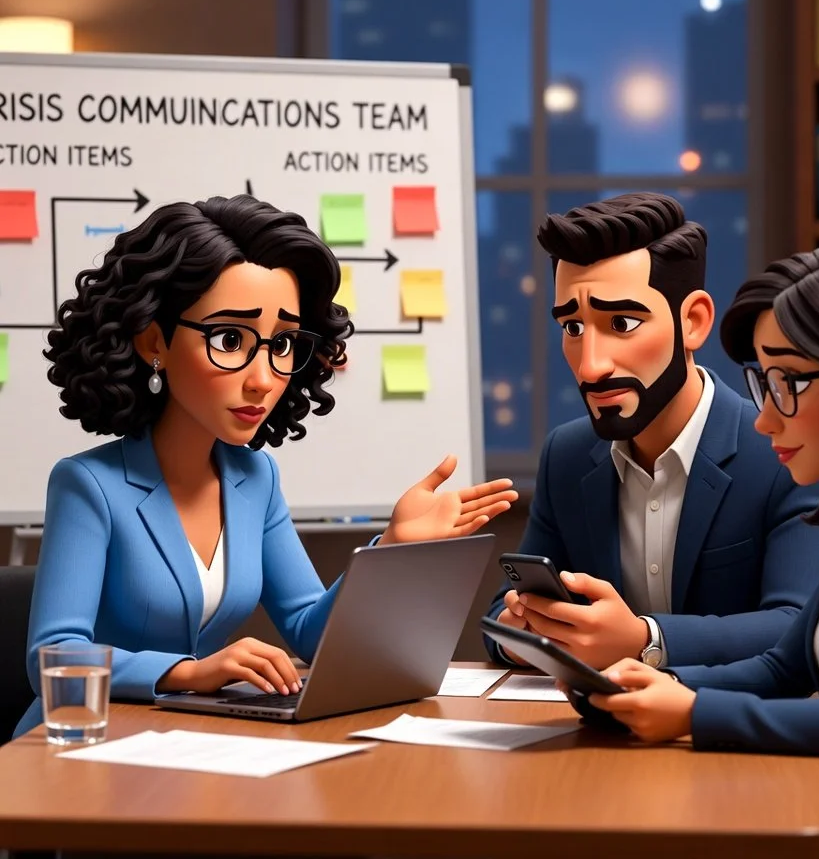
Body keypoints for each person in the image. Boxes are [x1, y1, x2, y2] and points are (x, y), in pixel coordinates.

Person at [14, 194, 517, 739]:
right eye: (231, 339)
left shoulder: (255, 479)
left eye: (281, 344)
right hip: (77, 744)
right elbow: (54, 655)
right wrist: (188, 672)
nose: (263, 378)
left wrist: (392, 545)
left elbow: (307, 629)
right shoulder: (89, 485)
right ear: (154, 340)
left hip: (185, 747)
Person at [588, 237, 819, 859]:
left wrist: (692, 714)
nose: (765, 419)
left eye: (791, 383)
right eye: (765, 382)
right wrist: (655, 681)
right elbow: (784, 669)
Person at [485, 192, 819, 671]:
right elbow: (503, 612)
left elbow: (799, 624)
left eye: (622, 323)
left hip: (725, 733)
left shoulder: (780, 452)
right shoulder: (566, 455)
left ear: (693, 322)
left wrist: (647, 639)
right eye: (573, 328)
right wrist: (520, 628)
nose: (591, 367)